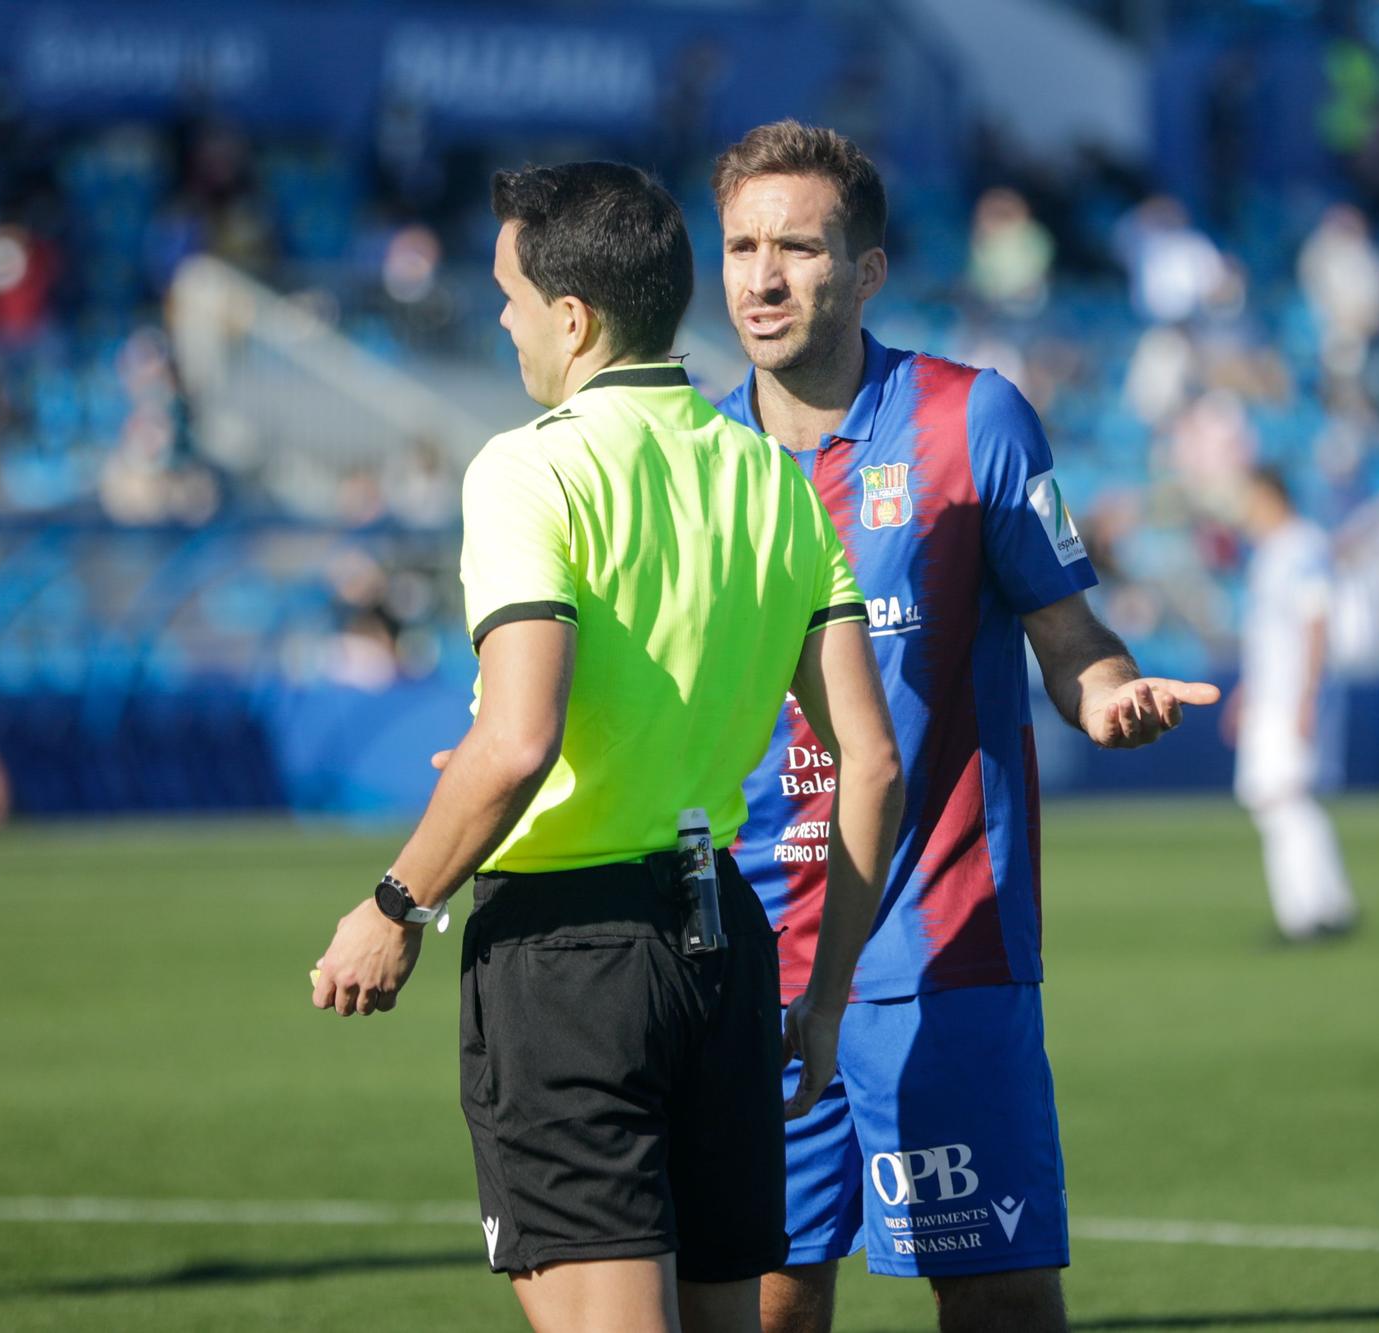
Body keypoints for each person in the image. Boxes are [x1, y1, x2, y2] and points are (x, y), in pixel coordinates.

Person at [311, 161, 905, 1333]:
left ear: (573, 318)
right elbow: (871, 765)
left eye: (511, 298)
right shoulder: (772, 477)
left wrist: (395, 903)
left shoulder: (529, 465)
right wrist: (826, 995)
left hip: (569, 954)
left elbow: (517, 740)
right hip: (724, 945)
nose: (503, 322)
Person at [706, 121, 1221, 1333]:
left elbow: (1068, 637)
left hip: (938, 943)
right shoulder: (695, 460)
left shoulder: (969, 420)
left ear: (866, 270)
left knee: (995, 1292)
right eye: (739, 247)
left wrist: (1104, 691)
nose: (762, 277)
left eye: (797, 247)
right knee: (767, 1298)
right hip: (750, 951)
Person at [1227, 465, 1357, 942]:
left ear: (1269, 496)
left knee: (1281, 798)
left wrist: (1308, 696)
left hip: (1289, 696)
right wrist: (1246, 692)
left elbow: (1316, 622)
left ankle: (1305, 914)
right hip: (1271, 694)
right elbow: (1269, 636)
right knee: (1280, 800)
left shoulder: (1301, 546)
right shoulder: (1270, 553)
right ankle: (1327, 904)